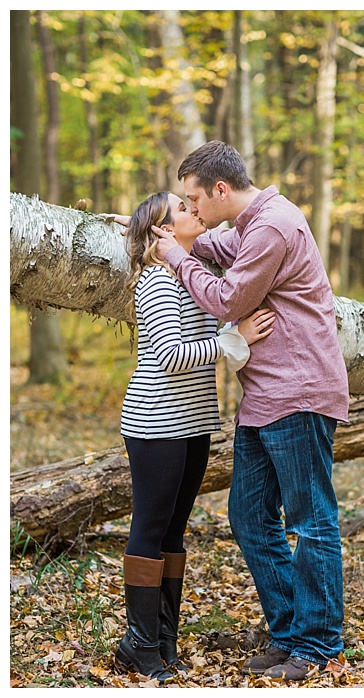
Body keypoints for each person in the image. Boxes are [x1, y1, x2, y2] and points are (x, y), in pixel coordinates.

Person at [152, 141, 350, 681]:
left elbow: (226, 301)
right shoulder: (245, 224)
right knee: (248, 517)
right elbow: (206, 242)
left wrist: (174, 257)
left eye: (193, 200)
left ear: (220, 189)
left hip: (300, 391)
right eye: (184, 205)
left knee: (310, 522)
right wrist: (141, 224)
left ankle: (317, 643)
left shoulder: (272, 226)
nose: (190, 211)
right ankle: (290, 633)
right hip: (262, 397)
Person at [114, 192, 276, 680]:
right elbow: (167, 356)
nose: (194, 212)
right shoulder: (159, 283)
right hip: (156, 423)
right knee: (149, 527)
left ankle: (163, 639)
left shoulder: (192, 271)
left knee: (173, 532)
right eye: (182, 209)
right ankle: (138, 644)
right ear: (164, 232)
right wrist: (235, 338)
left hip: (195, 422)